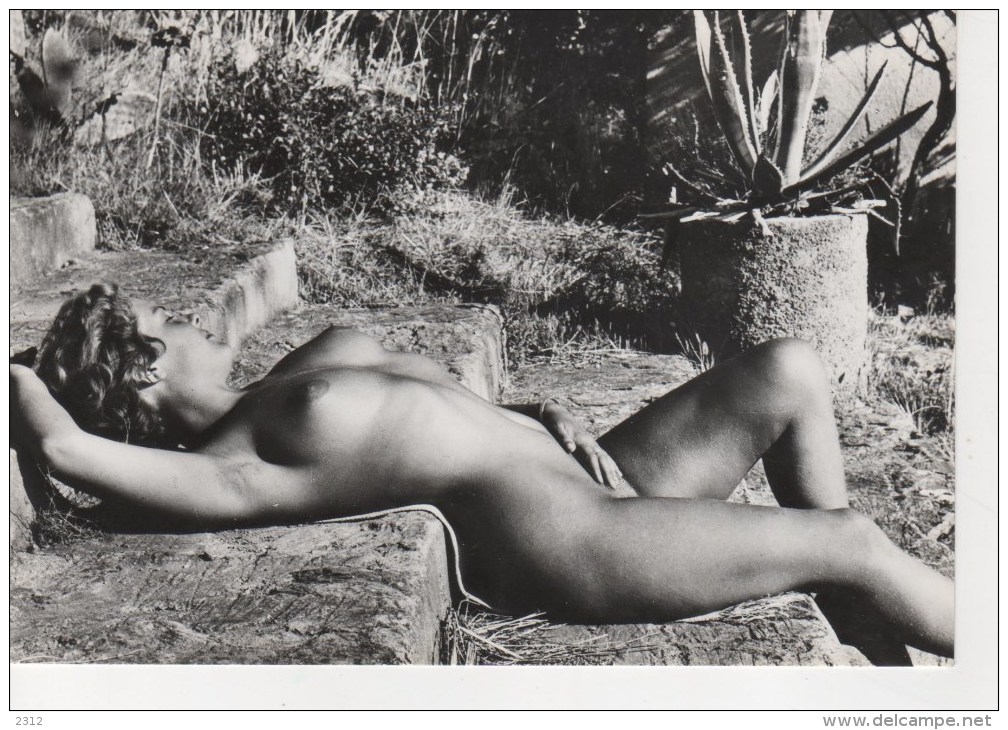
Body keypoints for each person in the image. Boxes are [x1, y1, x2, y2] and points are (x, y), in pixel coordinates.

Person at [10, 283, 953, 662]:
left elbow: (432, 412)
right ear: (140, 369)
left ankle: (872, 648)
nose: (194, 315)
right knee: (852, 540)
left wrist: (540, 410)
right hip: (575, 539)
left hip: (588, 468)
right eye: (167, 321)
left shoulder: (280, 384)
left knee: (788, 370)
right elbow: (63, 449)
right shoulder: (236, 462)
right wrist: (19, 376)